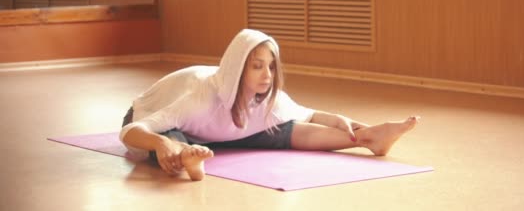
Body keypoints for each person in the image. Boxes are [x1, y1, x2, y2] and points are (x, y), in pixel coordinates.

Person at [120, 29, 420, 181]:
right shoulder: (201, 99)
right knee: (172, 138)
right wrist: (159, 143)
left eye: (272, 67)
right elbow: (132, 130)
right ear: (239, 69)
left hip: (220, 130)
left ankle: (371, 141)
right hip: (152, 115)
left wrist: (349, 124)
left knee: (282, 128)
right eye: (257, 67)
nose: (267, 75)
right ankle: (187, 157)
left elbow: (312, 115)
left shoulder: (268, 98)